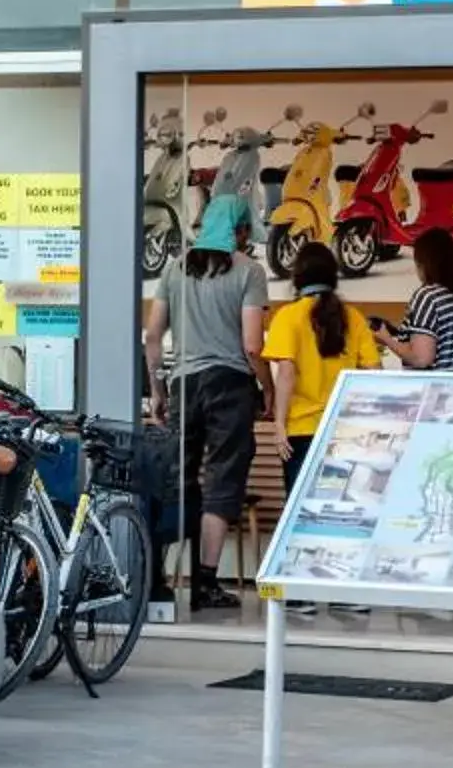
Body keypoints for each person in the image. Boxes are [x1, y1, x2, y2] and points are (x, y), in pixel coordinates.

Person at [142, 194, 265, 612]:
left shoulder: (175, 269)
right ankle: (207, 583)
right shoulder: (249, 271)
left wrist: (158, 390)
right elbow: (252, 345)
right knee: (222, 479)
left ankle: (158, 577)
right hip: (230, 384)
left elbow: (153, 336)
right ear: (241, 231)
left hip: (183, 384)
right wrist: (262, 384)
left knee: (178, 478)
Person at [259, 241, 382, 505]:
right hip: (345, 432)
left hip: (301, 431)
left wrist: (279, 423)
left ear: (297, 277)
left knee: (302, 511)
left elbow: (287, 373)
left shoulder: (287, 317)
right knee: (336, 507)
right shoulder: (354, 318)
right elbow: (374, 371)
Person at [388, 228, 453, 371]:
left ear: (424, 263)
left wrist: (386, 339)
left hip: (434, 391)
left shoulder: (427, 297)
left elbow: (421, 359)